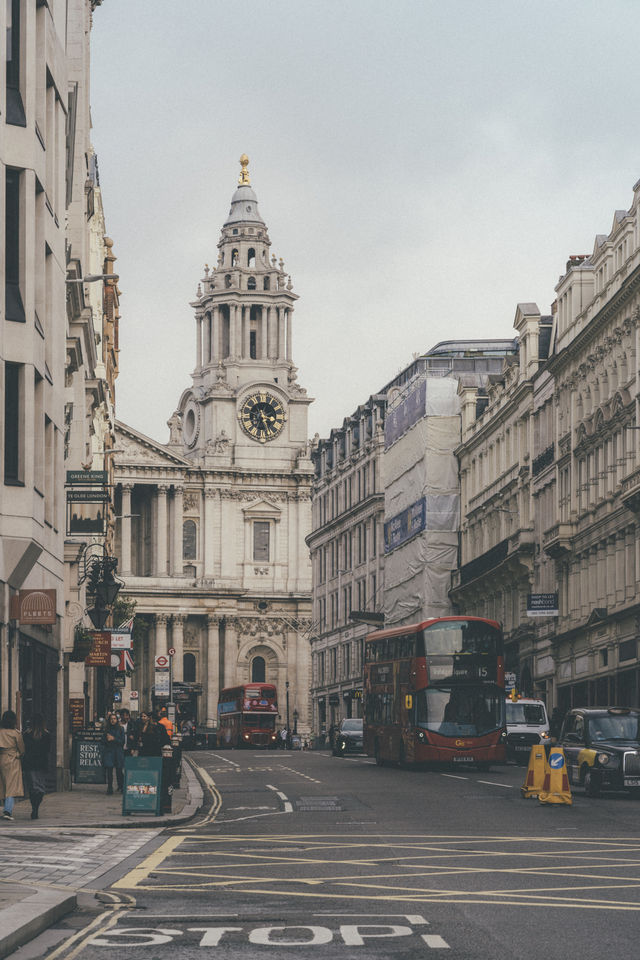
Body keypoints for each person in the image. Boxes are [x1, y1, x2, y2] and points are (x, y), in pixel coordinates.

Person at [23, 713, 50, 819]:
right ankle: (36, 808)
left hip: (30, 764)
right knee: (40, 788)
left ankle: (34, 808)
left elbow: (24, 749)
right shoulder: (46, 735)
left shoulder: (26, 734)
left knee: (32, 787)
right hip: (41, 764)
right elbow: (48, 750)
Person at [0, 710, 25, 821]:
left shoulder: (0, 732)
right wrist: (18, 754)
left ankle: (5, 807)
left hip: (1, 758)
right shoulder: (16, 733)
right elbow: (22, 749)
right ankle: (8, 810)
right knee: (11, 786)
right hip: (13, 760)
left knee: (3, 785)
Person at [102, 712, 125, 794]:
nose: (113, 720)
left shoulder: (121, 729)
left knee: (119, 770)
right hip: (109, 751)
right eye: (111, 719)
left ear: (117, 720)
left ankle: (121, 786)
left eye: (114, 719)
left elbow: (122, 742)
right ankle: (110, 787)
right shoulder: (106, 729)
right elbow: (103, 741)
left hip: (118, 752)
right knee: (109, 770)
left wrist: (113, 739)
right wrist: (107, 740)